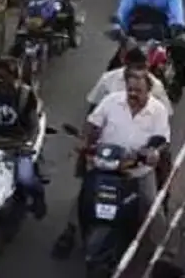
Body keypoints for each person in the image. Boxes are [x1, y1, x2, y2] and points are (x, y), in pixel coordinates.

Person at [56, 69, 170, 253]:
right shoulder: (112, 101)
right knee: (85, 198)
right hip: (105, 164)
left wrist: (152, 152)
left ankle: (165, 252)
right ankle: (69, 232)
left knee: (151, 204)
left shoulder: (158, 110)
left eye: (138, 91)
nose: (133, 94)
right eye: (130, 89)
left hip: (137, 169)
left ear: (148, 90)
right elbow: (93, 123)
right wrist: (85, 140)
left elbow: (162, 140)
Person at [0, 57, 45, 217]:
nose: (1, 82)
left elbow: (34, 125)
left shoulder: (26, 95)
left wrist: (29, 144)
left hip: (18, 144)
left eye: (4, 78)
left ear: (15, 76)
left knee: (25, 179)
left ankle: (39, 198)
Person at [113, 0, 185, 95]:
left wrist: (176, 27)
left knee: (184, 52)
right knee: (113, 66)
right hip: (136, 34)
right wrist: (118, 28)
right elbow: (123, 10)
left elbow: (176, 13)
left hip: (161, 33)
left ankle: (178, 84)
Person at [85, 45, 172, 114]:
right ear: (126, 64)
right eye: (135, 68)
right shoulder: (108, 79)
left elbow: (165, 112)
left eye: (141, 68)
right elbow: (94, 104)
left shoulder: (156, 86)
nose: (139, 72)